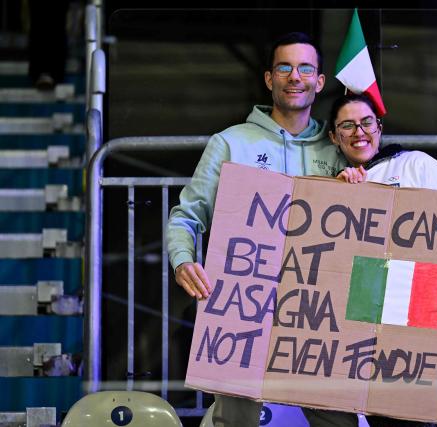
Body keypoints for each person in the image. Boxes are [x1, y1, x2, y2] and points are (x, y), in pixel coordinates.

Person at [166, 32, 357, 427]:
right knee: (236, 419)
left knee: (336, 419)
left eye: (306, 68)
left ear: (319, 82)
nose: (295, 76)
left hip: (318, 310)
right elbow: (187, 215)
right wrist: (182, 260)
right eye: (284, 67)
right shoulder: (230, 143)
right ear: (269, 79)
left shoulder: (338, 148)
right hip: (244, 304)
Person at [331, 93, 437, 427]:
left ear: (379, 127)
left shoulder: (417, 164)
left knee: (428, 419)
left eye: (366, 122)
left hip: (427, 317)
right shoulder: (338, 186)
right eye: (347, 125)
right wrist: (342, 196)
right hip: (367, 327)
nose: (359, 131)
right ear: (334, 136)